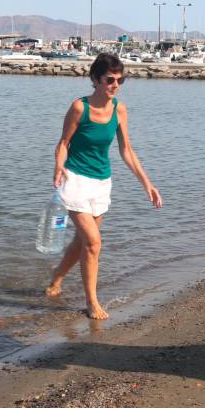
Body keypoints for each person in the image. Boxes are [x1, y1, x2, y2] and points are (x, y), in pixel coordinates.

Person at [47, 53, 163, 320]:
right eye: (110, 79)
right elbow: (63, 143)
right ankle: (92, 302)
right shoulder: (80, 107)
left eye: (120, 80)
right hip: (75, 179)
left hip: (101, 182)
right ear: (96, 80)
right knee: (94, 243)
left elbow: (127, 151)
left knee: (83, 243)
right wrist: (58, 166)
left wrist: (148, 184)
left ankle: (56, 278)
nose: (115, 85)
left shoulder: (119, 110)